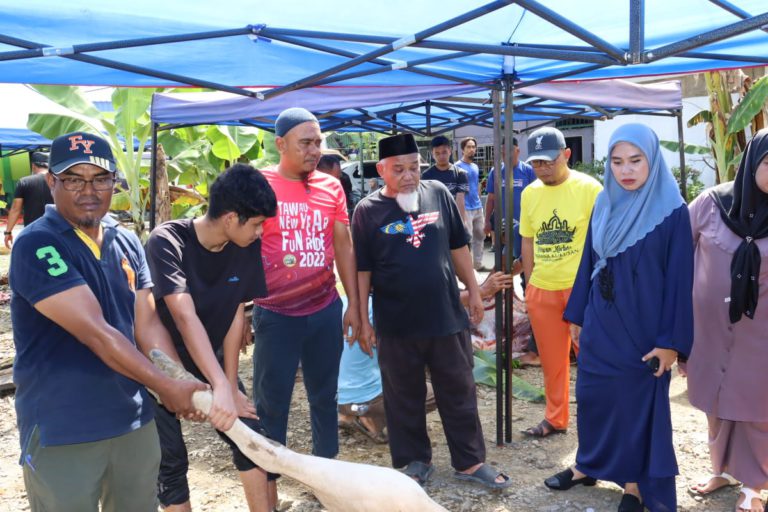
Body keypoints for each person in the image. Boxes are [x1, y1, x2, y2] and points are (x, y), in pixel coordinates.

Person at [9, 131, 204, 512]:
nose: (89, 190)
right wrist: (166, 386)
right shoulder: (38, 243)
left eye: (100, 179)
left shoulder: (126, 241)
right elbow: (96, 333)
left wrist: (181, 381)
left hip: (133, 421)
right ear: (51, 182)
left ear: (115, 182)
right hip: (64, 427)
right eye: (74, 179)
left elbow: (147, 326)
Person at [543, 124, 694, 512]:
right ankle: (587, 465)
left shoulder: (673, 211)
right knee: (593, 396)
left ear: (652, 160)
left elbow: (680, 281)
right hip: (600, 320)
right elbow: (589, 262)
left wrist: (670, 343)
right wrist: (578, 314)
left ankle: (634, 484)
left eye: (635, 161)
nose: (626, 170)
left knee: (634, 403)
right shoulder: (604, 202)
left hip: (644, 328)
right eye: (617, 161)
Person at [353, 132, 511, 489]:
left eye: (414, 167)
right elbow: (362, 270)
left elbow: (458, 247)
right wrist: (363, 318)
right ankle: (414, 461)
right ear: (381, 170)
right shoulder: (366, 211)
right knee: (403, 395)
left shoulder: (437, 193)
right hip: (396, 322)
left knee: (459, 390)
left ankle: (470, 462)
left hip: (445, 315)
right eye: (399, 170)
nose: (409, 176)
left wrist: (473, 291)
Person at [145, 164, 278, 512]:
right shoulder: (167, 241)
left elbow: (235, 313)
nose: (260, 232)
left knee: (251, 437)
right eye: (257, 224)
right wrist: (217, 384)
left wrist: (229, 385)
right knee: (170, 460)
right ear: (231, 218)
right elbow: (184, 316)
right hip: (160, 364)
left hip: (210, 355)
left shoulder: (245, 245)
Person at [251, 108, 360, 493]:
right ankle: (268, 483)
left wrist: (354, 305)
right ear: (280, 144)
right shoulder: (260, 185)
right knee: (271, 403)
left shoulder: (331, 187)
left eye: (318, 142)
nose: (315, 150)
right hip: (275, 313)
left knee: (325, 396)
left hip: (324, 309)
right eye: (306, 143)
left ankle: (326, 478)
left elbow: (343, 245)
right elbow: (243, 246)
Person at [685, 128, 768, 512]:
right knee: (715, 400)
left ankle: (753, 485)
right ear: (752, 162)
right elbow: (678, 249)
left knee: (758, 408)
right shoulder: (711, 203)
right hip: (710, 329)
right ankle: (723, 469)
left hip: (760, 334)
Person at [519, 126, 602, 438]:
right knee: (552, 362)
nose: (542, 168)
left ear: (566, 154)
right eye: (536, 163)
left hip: (581, 290)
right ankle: (555, 418)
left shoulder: (590, 189)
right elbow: (528, 240)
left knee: (592, 360)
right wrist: (530, 285)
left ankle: (598, 421)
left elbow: (602, 240)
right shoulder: (530, 194)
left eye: (548, 161)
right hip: (543, 290)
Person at [483, 137, 536, 256]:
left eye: (509, 152)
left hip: (524, 225)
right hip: (502, 226)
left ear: (518, 151)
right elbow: (491, 198)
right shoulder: (496, 172)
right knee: (503, 260)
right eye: (503, 152)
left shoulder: (528, 171)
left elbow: (536, 198)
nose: (506, 155)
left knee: (523, 258)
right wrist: (486, 221)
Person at [5, 151, 54, 247]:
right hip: (55, 228)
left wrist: (8, 232)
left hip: (32, 230)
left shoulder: (24, 182)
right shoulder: (57, 181)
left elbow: (15, 209)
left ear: (33, 166)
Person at [422, 135, 469, 224]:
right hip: (434, 220)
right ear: (432, 154)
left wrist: (461, 224)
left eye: (444, 152)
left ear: (450, 151)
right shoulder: (426, 176)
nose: (441, 156)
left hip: (453, 219)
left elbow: (460, 201)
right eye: (437, 153)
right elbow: (425, 201)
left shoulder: (460, 173)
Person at [455, 137, 485, 270]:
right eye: (468, 147)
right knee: (468, 238)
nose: (471, 149)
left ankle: (477, 265)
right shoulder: (457, 166)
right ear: (463, 150)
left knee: (480, 236)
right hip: (465, 207)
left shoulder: (475, 166)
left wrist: (478, 197)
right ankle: (467, 268)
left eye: (473, 147)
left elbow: (476, 184)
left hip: (477, 206)